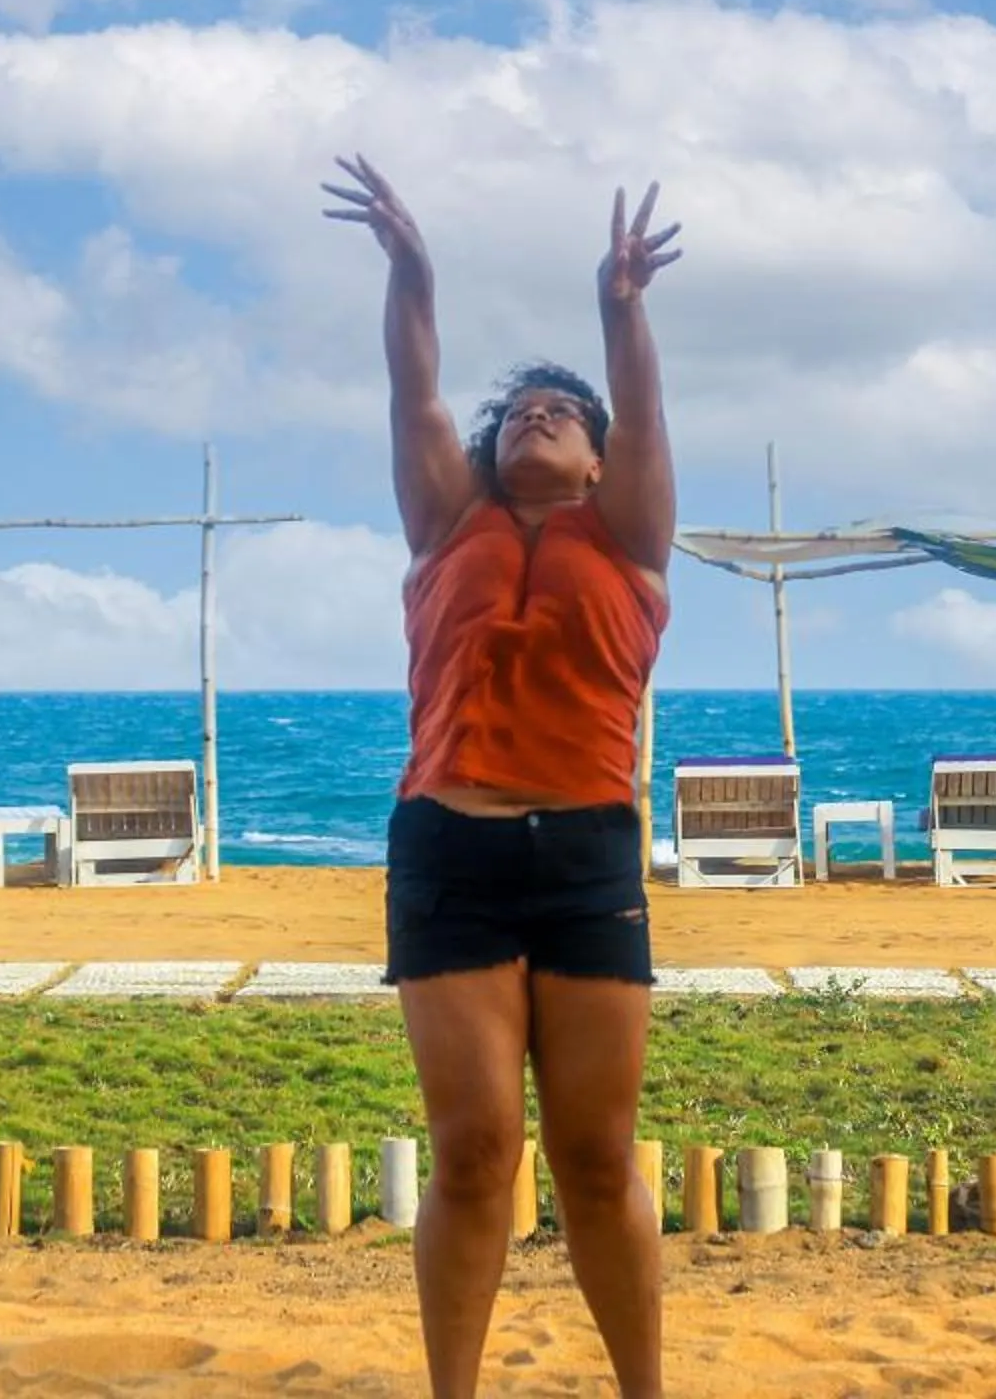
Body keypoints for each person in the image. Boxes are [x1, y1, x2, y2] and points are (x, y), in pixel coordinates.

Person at [325, 154, 680, 1399]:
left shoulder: (627, 536)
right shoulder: (448, 524)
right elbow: (413, 388)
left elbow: (642, 407)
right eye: (518, 410)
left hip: (586, 859)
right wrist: (412, 270)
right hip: (451, 852)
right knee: (476, 1150)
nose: (536, 415)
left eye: (562, 412)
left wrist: (621, 310)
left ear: (599, 459)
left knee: (596, 1157)